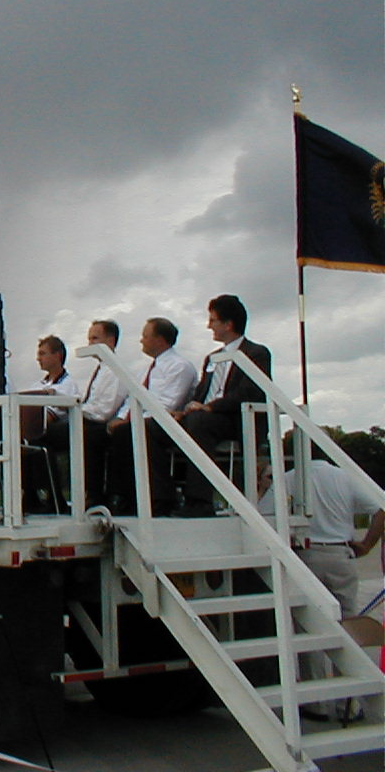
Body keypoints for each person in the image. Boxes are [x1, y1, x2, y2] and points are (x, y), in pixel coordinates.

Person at [259, 457, 384, 722]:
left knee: (309, 629)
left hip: (307, 555)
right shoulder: (345, 477)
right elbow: (381, 508)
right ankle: (349, 703)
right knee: (348, 628)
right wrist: (367, 544)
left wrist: (264, 486)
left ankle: (315, 703)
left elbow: (263, 514)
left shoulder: (290, 477)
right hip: (341, 554)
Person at [166, 295, 273, 518]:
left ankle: (200, 501)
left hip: (235, 418)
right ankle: (161, 498)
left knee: (199, 422)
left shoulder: (256, 353)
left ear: (228, 324)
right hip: (205, 416)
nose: (209, 326)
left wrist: (211, 407)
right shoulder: (212, 358)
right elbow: (201, 392)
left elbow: (249, 392)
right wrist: (184, 410)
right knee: (159, 425)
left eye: (213, 320)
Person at [31, 321, 129, 509]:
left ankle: (70, 496)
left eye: (95, 338)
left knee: (42, 435)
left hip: (98, 425)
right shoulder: (103, 369)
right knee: (37, 437)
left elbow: (103, 412)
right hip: (87, 421)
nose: (90, 343)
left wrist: (72, 408)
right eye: (89, 339)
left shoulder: (115, 370)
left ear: (110, 341)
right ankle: (48, 495)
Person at [105, 317, 197, 514]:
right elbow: (132, 398)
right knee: (119, 432)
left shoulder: (180, 366)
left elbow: (168, 403)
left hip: (169, 422)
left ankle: (161, 497)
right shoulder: (145, 370)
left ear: (160, 340)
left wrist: (135, 421)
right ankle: (126, 496)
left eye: (145, 336)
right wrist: (121, 417)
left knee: (135, 431)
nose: (141, 340)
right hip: (144, 420)